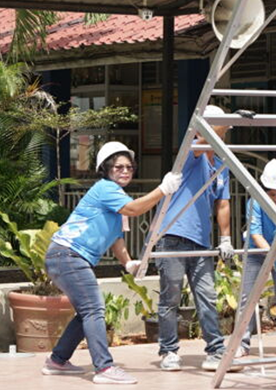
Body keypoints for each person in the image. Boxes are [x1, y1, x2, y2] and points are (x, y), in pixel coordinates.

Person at [43, 141, 182, 385]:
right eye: (118, 167)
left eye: (129, 167)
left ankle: (57, 361)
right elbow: (134, 209)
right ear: (106, 169)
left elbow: (117, 239)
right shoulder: (106, 189)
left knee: (85, 312)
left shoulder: (115, 198)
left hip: (64, 256)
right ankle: (104, 369)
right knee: (94, 309)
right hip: (68, 255)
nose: (125, 171)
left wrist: (128, 263)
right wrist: (163, 189)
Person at [155, 105, 235, 372]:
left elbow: (222, 204)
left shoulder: (222, 164)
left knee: (207, 296)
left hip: (201, 241)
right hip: (174, 235)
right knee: (171, 297)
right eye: (218, 129)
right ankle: (168, 351)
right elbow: (202, 142)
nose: (222, 136)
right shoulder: (192, 152)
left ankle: (216, 350)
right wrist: (214, 126)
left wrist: (225, 238)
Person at [236, 158, 276, 358]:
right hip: (257, 253)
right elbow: (256, 234)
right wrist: (273, 254)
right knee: (248, 298)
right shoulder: (255, 202)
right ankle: (241, 344)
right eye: (272, 194)